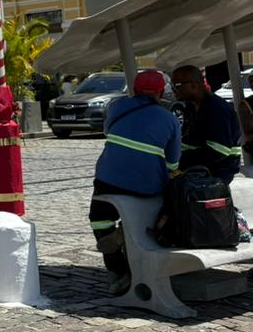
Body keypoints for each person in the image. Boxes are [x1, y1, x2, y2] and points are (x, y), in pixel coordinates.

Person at [88, 70, 181, 295]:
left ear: (135, 89)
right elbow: (173, 163)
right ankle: (129, 230)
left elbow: (109, 132)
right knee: (163, 206)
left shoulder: (115, 108)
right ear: (161, 92)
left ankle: (116, 268)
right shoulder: (170, 119)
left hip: (108, 179)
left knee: (98, 217)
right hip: (147, 186)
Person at [172, 64, 242, 185]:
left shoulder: (216, 109)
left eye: (176, 85)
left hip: (217, 172)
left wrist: (182, 160)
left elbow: (219, 151)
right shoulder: (191, 106)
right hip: (200, 169)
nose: (173, 89)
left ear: (194, 84)